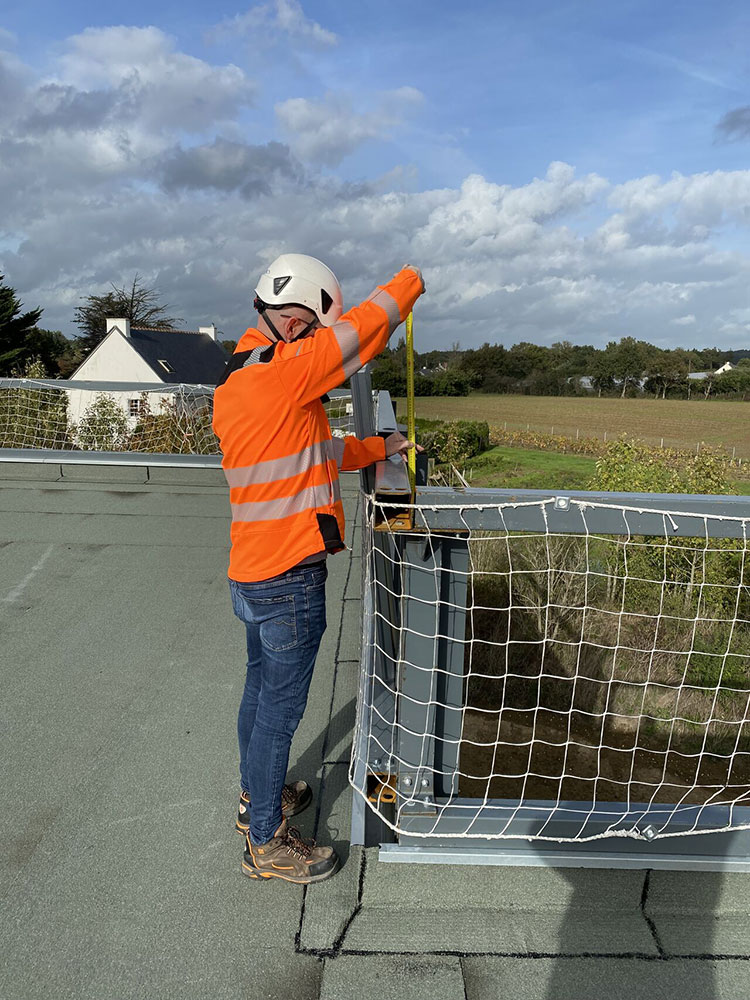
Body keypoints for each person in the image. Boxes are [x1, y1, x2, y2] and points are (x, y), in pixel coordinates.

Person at [212, 254, 425, 884]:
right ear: (303, 321)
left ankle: (258, 797)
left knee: (259, 690)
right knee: (280, 708)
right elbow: (364, 330)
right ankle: (267, 844)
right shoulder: (291, 370)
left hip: (251, 571)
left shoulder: (243, 378)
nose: (308, 333)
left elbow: (312, 450)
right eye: (306, 322)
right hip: (289, 575)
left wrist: (373, 449)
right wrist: (409, 282)